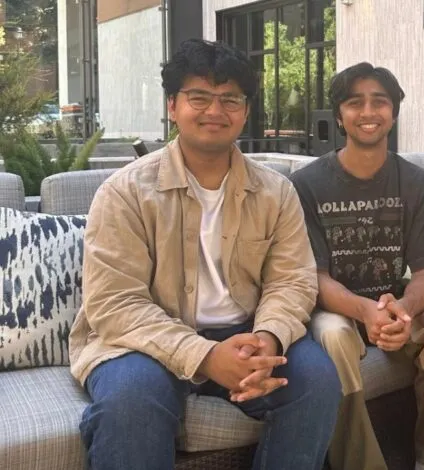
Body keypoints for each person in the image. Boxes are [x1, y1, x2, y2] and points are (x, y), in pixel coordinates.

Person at [69, 39, 341, 470]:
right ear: (173, 105)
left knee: (317, 381)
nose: (215, 111)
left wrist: (268, 337)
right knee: (131, 401)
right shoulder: (125, 192)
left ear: (246, 110)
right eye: (200, 97)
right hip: (145, 343)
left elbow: (293, 280)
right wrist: (206, 357)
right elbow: (114, 303)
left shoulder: (276, 192)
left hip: (247, 332)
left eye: (229, 99)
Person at [290, 62, 424, 470]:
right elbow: (315, 277)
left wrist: (402, 310)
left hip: (395, 299)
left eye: (379, 102)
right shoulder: (307, 184)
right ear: (339, 116)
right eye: (356, 103)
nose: (368, 112)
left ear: (394, 112)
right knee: (332, 337)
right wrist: (365, 311)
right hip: (335, 307)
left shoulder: (418, 183)